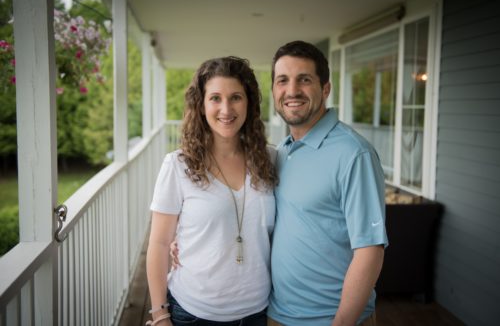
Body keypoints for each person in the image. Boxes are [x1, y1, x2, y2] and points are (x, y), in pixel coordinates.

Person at [146, 56, 278, 326]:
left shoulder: (271, 159)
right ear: (202, 105)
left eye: (236, 97)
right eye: (215, 98)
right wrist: (160, 315)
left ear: (249, 103)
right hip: (193, 313)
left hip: (258, 311)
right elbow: (159, 244)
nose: (226, 108)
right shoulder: (178, 165)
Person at [267, 40, 388, 326]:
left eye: (304, 79)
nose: (292, 90)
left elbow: (370, 250)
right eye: (282, 80)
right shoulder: (282, 152)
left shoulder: (353, 153)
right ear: (273, 90)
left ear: (325, 89)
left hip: (332, 319)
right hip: (277, 315)